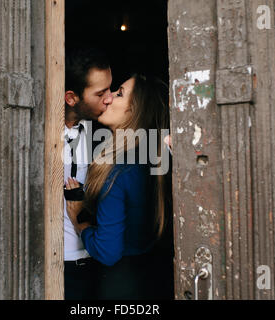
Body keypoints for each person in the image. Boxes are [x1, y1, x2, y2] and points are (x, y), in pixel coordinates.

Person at [66, 73, 174, 300]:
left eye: (119, 94)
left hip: (120, 285)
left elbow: (107, 252)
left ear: (133, 111)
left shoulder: (117, 173)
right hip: (150, 277)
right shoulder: (153, 161)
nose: (108, 98)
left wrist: (78, 222)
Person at [63, 47, 113, 300]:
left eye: (111, 89)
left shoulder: (104, 133)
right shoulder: (37, 133)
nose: (110, 99)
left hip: (94, 262)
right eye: (100, 93)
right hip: (56, 264)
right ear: (71, 98)